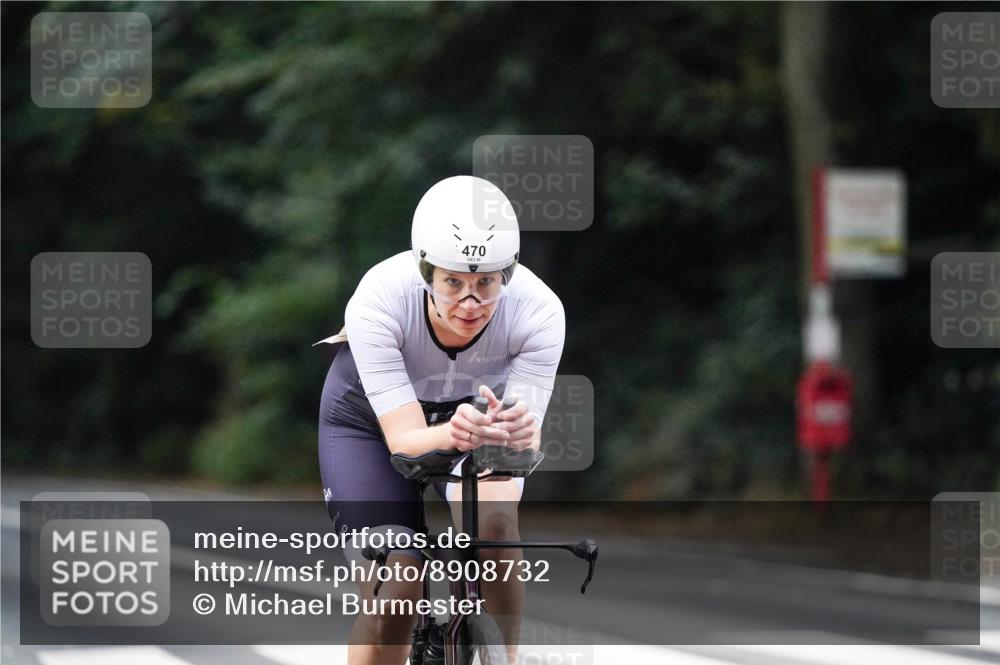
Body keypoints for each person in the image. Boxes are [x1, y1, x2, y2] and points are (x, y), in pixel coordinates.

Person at [317, 175, 565, 665]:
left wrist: (519, 430)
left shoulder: (539, 313)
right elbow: (406, 440)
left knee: (495, 527)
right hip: (369, 423)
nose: (470, 302)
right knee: (398, 588)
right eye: (453, 282)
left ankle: (504, 658)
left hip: (473, 416)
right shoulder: (380, 298)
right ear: (426, 271)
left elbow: (522, 431)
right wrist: (452, 432)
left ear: (507, 275)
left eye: (486, 283)